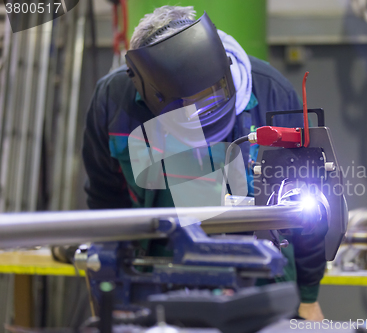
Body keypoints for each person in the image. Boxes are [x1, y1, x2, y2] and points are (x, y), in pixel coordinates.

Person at [82, 5, 325, 320]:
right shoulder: (113, 101)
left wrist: (307, 296)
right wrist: (109, 289)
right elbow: (106, 201)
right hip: (155, 288)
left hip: (265, 289)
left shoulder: (271, 92)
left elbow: (310, 208)